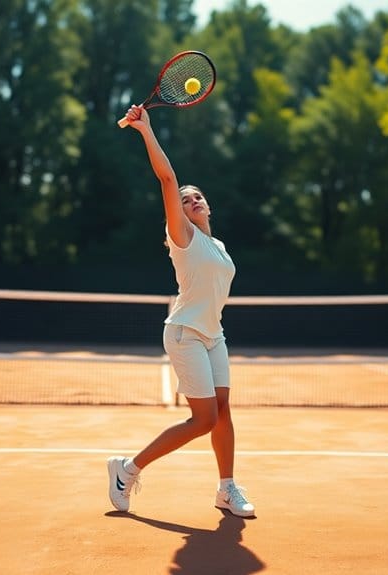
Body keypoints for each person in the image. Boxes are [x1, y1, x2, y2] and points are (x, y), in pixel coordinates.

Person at [106, 104, 255, 518]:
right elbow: (168, 179)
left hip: (214, 335)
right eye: (186, 201)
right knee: (203, 419)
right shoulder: (183, 237)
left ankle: (227, 488)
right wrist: (146, 130)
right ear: (179, 213)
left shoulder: (219, 247)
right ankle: (127, 470)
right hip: (185, 333)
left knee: (223, 412)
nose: (194, 201)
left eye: (199, 197)